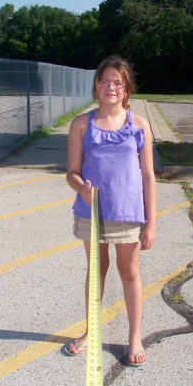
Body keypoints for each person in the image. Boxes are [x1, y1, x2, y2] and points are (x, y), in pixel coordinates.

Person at [65, 55, 156, 366]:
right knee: (96, 271)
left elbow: (148, 176)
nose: (111, 87)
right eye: (105, 81)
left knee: (129, 272)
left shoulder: (140, 125)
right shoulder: (81, 124)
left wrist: (151, 222)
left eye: (118, 82)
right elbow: (71, 172)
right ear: (96, 86)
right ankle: (92, 332)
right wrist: (81, 188)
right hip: (90, 214)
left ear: (127, 88)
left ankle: (135, 337)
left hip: (129, 213)